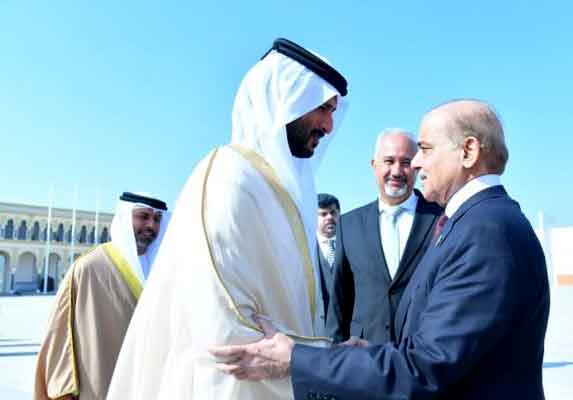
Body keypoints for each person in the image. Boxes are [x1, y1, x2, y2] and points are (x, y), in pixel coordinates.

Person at [211, 99, 551, 399]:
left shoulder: (486, 231)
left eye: (426, 149)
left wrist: (293, 359)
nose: (416, 164)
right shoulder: (473, 222)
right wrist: (367, 353)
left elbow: (426, 369)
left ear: (468, 152)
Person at [105, 38, 348, 400]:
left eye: (333, 111)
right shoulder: (231, 177)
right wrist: (324, 358)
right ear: (287, 100)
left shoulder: (282, 190)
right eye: (322, 109)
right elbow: (226, 318)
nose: (329, 125)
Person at [34, 192, 169, 400]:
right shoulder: (90, 268)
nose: (151, 226)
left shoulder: (165, 270)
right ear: (124, 218)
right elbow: (61, 335)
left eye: (157, 219)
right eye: (143, 216)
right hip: (102, 386)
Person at [326, 128, 442, 344]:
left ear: (416, 166)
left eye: (406, 162)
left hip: (423, 354)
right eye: (389, 161)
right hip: (363, 358)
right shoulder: (349, 225)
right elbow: (339, 301)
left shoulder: (441, 218)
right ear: (374, 165)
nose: (397, 171)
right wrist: (334, 359)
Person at [316, 193, 342, 328]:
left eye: (333, 212)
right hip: (317, 326)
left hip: (347, 327)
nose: (330, 218)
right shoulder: (307, 247)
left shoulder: (353, 243)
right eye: (323, 214)